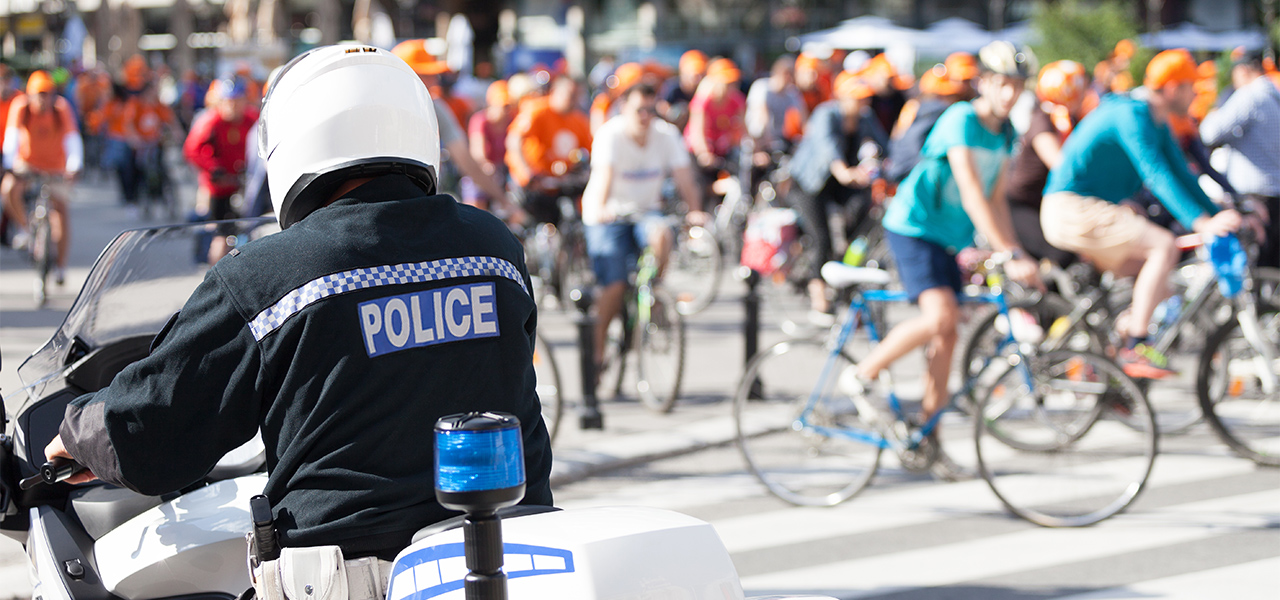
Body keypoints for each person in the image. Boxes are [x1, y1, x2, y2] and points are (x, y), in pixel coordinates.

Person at [44, 45, 553, 598]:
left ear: (292, 142)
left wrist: (78, 435)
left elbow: (156, 424)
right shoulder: (495, 249)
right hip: (514, 560)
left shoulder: (270, 276)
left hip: (356, 575)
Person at [852, 43, 1043, 480]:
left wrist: (1014, 248)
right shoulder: (961, 119)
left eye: (1017, 85)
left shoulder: (1004, 133)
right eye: (1002, 84)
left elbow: (995, 199)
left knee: (948, 338)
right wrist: (1010, 254)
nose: (1010, 94)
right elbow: (971, 189)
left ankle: (928, 433)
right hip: (914, 228)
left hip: (949, 238)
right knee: (943, 317)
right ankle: (864, 375)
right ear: (984, 83)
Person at [1041, 49, 1243, 378]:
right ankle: (1134, 345)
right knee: (1164, 246)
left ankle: (1114, 370)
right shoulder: (1132, 113)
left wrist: (1218, 210)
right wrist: (1203, 223)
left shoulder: (1156, 120)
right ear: (1174, 87)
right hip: (1069, 207)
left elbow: (1182, 174)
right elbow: (1156, 173)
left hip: (1081, 209)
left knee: (1162, 282)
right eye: (1193, 87)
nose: (1196, 94)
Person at [581, 82, 705, 369]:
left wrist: (696, 211)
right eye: (639, 110)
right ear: (624, 108)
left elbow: (684, 176)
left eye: (651, 110)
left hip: (645, 212)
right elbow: (604, 175)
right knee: (613, 284)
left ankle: (652, 293)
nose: (645, 116)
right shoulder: (610, 134)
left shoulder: (666, 135)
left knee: (662, 234)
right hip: (609, 214)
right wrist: (601, 208)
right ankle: (596, 357)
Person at [787, 71, 888, 320]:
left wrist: (878, 163)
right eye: (857, 98)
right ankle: (818, 298)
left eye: (865, 98)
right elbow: (827, 147)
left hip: (839, 185)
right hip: (810, 184)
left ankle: (845, 281)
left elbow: (882, 144)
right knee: (821, 238)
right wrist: (844, 171)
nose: (862, 104)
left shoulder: (865, 118)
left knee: (860, 223)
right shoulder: (827, 113)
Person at [1003, 60, 1090, 267]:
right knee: (1064, 255)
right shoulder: (1043, 119)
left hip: (1046, 203)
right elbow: (1060, 164)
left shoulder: (1068, 118)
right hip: (1023, 205)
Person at [1200, 49, 1279, 269]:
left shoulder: (1250, 95)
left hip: (1255, 194)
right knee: (1272, 268)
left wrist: (1213, 110)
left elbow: (1209, 132)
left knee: (1254, 268)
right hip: (1275, 190)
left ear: (1243, 70)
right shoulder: (1275, 93)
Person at [1, 70, 83, 284]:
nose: (42, 98)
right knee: (8, 189)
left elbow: (72, 138)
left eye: (46, 93)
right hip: (28, 164)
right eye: (38, 93)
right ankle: (25, 229)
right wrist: (10, 165)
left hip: (56, 167)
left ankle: (61, 267)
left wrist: (74, 166)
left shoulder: (60, 108)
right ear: (30, 94)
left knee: (61, 211)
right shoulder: (21, 107)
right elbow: (12, 137)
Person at [183, 76, 258, 262]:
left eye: (237, 101)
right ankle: (215, 274)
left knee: (254, 232)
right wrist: (213, 168)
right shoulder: (211, 121)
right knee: (220, 235)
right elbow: (192, 149)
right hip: (219, 187)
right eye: (228, 102)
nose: (233, 106)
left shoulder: (252, 118)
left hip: (246, 184)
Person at [506, 74, 592, 224]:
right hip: (535, 183)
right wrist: (526, 172)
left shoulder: (579, 120)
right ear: (555, 91)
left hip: (562, 183)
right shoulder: (537, 110)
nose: (574, 100)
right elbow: (514, 140)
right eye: (570, 95)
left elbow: (589, 152)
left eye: (578, 95)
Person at [685, 58, 745, 176]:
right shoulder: (703, 102)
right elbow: (697, 133)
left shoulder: (737, 101)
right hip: (699, 152)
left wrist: (755, 150)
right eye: (727, 83)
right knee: (699, 184)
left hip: (722, 151)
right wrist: (704, 153)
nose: (731, 86)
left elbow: (743, 129)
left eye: (733, 82)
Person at [463, 79, 516, 211]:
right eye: (503, 106)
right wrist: (485, 164)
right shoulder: (480, 120)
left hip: (504, 171)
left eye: (509, 106)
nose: (506, 111)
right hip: (484, 169)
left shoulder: (512, 121)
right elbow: (477, 152)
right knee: (475, 201)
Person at [659, 50, 707, 131]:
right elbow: (661, 106)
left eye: (701, 74)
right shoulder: (672, 87)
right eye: (695, 75)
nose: (698, 79)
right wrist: (674, 112)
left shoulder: (704, 90)